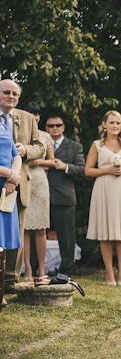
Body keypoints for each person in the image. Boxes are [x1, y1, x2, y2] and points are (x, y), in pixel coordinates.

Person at [85, 110, 121, 286]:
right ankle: (109, 274)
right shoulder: (96, 145)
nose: (115, 126)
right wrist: (107, 170)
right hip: (103, 188)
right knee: (105, 232)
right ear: (104, 124)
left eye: (118, 123)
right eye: (111, 122)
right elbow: (88, 170)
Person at [0, 79, 44, 294]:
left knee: (15, 230)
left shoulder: (26, 118)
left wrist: (25, 150)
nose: (11, 96)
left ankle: (9, 280)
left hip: (18, 182)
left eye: (15, 94)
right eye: (6, 92)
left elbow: (40, 148)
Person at [46, 116, 85, 277]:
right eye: (51, 125)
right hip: (41, 194)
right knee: (37, 232)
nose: (54, 128)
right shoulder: (41, 144)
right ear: (46, 128)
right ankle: (35, 267)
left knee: (67, 235)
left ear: (63, 127)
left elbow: (82, 170)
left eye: (58, 125)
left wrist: (65, 166)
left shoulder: (74, 146)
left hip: (64, 196)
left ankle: (67, 268)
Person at [22, 102, 55, 281]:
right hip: (23, 179)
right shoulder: (18, 134)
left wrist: (40, 162)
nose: (34, 117)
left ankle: (41, 269)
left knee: (41, 227)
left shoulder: (45, 136)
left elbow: (52, 161)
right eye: (30, 113)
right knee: (24, 228)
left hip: (40, 182)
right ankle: (27, 268)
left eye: (36, 114)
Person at [0, 118, 22, 307]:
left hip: (6, 189)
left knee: (2, 244)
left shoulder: (3, 125)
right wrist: (8, 173)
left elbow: (16, 154)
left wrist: (12, 179)